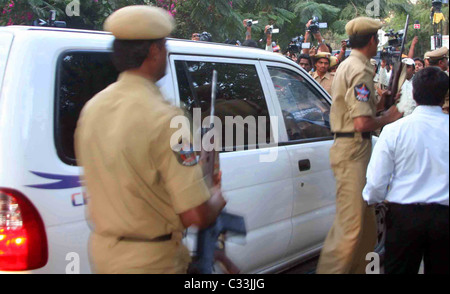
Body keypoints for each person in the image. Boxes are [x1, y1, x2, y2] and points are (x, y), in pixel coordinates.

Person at [74, 5, 226, 274]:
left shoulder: (92, 109)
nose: (166, 53)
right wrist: (215, 196)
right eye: (164, 46)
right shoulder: (166, 119)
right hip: (152, 262)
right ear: (155, 51)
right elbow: (196, 215)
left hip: (105, 255)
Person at [316, 17, 403, 274]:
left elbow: (352, 109)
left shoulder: (348, 64)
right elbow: (362, 122)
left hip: (352, 148)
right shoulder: (360, 69)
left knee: (365, 228)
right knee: (351, 226)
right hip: (353, 150)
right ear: (372, 40)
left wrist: (381, 102)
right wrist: (389, 116)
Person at [363, 67, 449, 274]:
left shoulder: (394, 130)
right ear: (445, 94)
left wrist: (372, 199)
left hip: (404, 217)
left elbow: (376, 182)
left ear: (413, 93)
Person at [428, 47, 449, 114]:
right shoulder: (446, 77)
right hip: (445, 114)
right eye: (446, 59)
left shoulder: (422, 77)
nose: (447, 62)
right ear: (441, 63)